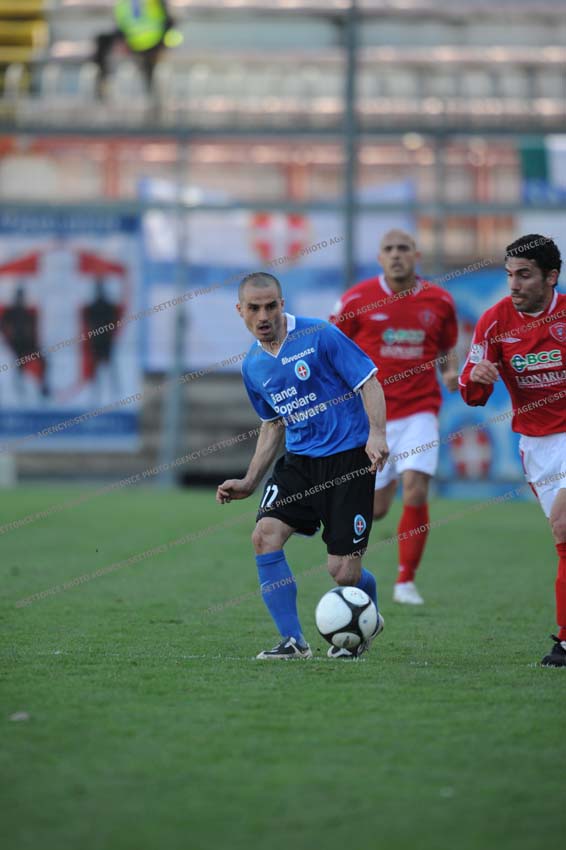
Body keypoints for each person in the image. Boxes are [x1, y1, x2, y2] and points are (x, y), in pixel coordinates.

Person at [216, 272, 389, 660]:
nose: (264, 316)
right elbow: (273, 423)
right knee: (264, 536)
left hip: (348, 460)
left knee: (343, 573)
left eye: (270, 306)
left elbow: (369, 381)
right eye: (254, 308)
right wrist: (250, 480)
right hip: (300, 462)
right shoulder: (253, 366)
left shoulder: (320, 335)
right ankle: (293, 641)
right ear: (240, 310)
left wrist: (377, 434)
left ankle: (367, 613)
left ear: (282, 304)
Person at [330, 230, 459, 606]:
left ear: (416, 255)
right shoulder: (357, 298)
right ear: (380, 257)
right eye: (389, 249)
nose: (397, 254)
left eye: (404, 248)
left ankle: (405, 581)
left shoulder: (439, 300)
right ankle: (326, 518)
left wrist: (450, 371)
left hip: (420, 411)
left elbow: (448, 345)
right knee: (377, 508)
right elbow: (332, 346)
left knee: (416, 487)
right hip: (372, 418)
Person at [459, 234, 566, 667]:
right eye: (509, 275)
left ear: (551, 277)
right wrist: (478, 378)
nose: (514, 284)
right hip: (537, 445)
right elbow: (471, 394)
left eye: (524, 275)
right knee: (563, 539)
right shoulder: (494, 322)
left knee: (564, 525)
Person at [94, 0, 179, 96]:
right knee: (101, 40)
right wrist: (123, 41)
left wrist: (161, 44)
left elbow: (168, 22)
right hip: (133, 41)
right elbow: (122, 24)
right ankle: (103, 83)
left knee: (149, 67)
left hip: (151, 43)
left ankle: (152, 94)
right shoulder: (124, 3)